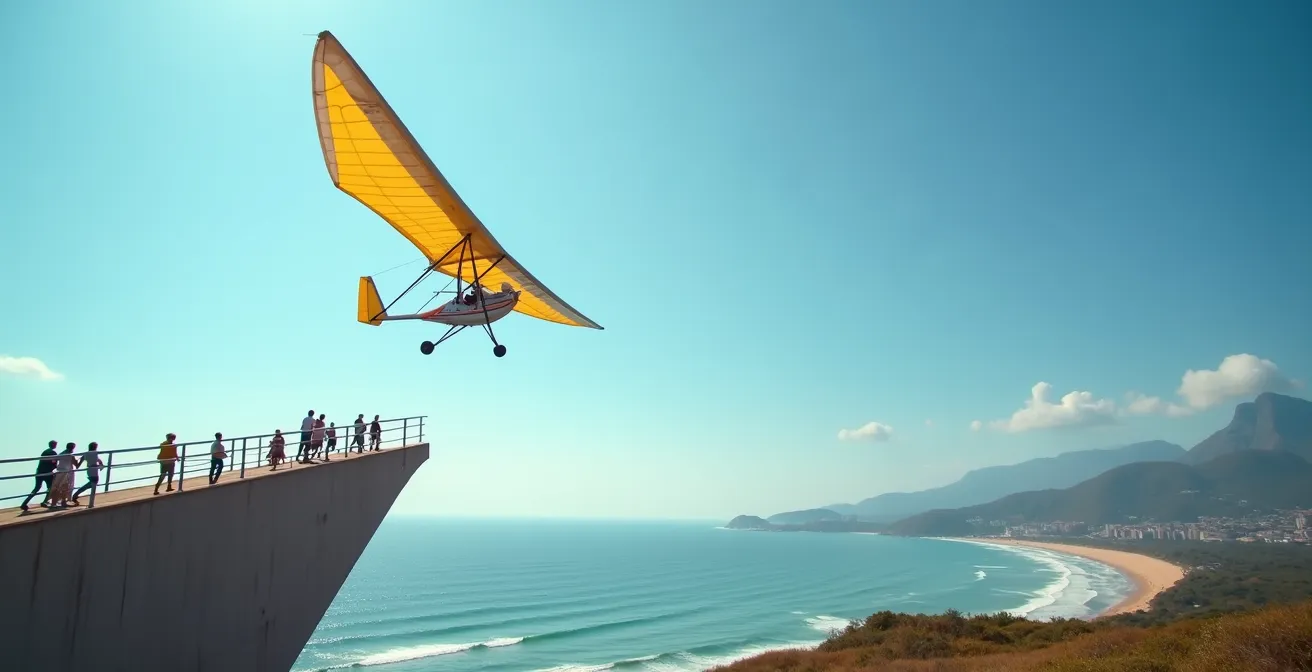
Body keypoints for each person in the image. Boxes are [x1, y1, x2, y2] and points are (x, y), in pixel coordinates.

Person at [20, 440, 60, 511]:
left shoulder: (44, 452)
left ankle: (24, 503)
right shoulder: (53, 452)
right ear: (54, 445)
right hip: (47, 473)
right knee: (51, 487)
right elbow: (54, 463)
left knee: (37, 488)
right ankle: (45, 501)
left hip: (39, 472)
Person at [49, 442, 78, 507]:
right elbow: (77, 465)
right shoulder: (71, 455)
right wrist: (81, 459)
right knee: (65, 487)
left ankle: (54, 503)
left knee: (57, 487)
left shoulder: (62, 453)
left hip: (59, 471)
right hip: (67, 472)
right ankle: (63, 502)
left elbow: (53, 460)